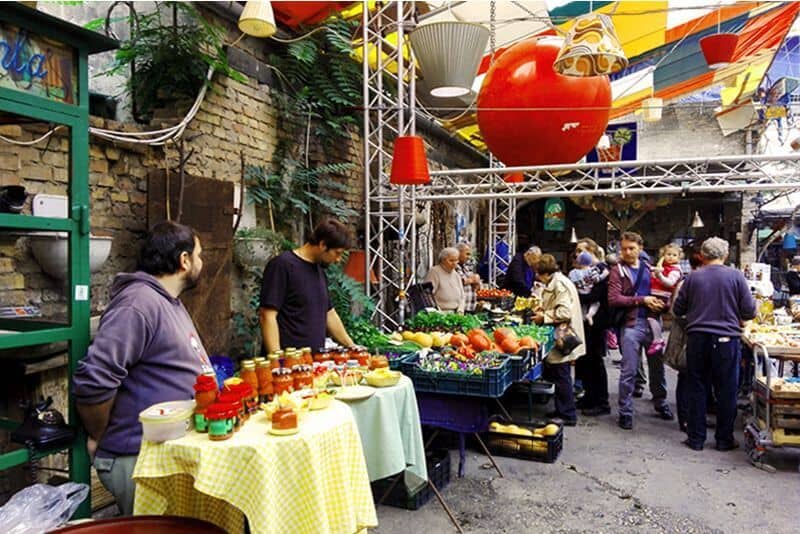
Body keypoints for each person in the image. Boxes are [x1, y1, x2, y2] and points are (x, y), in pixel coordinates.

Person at [73, 221, 209, 515]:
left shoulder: (167, 301)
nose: (202, 262)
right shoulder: (138, 303)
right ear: (184, 261)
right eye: (199, 255)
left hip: (163, 453)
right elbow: (94, 379)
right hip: (137, 458)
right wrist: (98, 434)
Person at [673, 237, 756, 451]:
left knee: (697, 386)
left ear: (702, 255)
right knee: (727, 389)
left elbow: (678, 309)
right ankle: (723, 439)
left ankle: (696, 438)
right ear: (725, 255)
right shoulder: (736, 277)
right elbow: (749, 311)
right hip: (727, 340)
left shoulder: (693, 277)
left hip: (697, 339)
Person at [608, 231, 673, 430]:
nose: (627, 252)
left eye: (632, 248)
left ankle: (660, 403)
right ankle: (626, 412)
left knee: (657, 368)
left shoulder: (647, 268)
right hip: (631, 326)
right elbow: (613, 299)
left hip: (653, 324)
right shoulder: (617, 271)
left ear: (640, 249)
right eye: (624, 248)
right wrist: (641, 300)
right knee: (629, 370)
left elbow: (662, 290)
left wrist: (661, 303)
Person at [259, 218, 355, 353]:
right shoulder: (282, 265)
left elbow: (329, 314)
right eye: (337, 253)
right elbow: (267, 315)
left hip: (313, 363)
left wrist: (353, 347)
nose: (338, 260)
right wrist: (278, 361)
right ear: (322, 245)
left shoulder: (319, 270)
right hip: (287, 363)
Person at [533, 254, 586, 426]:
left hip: (563, 337)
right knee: (560, 375)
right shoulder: (556, 281)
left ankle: (567, 414)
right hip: (560, 335)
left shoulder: (559, 285)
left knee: (562, 375)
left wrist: (544, 316)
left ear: (542, 273)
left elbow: (564, 313)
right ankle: (562, 409)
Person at [572, 238, 611, 416]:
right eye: (577, 251)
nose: (578, 254)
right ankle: (589, 396)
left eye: (582, 250)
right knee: (585, 360)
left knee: (595, 361)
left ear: (592, 251)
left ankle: (601, 401)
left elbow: (595, 295)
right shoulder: (582, 270)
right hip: (584, 320)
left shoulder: (601, 271)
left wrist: (574, 295)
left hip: (597, 322)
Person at [646, 243, 683, 356]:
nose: (671, 257)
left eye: (674, 255)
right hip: (656, 294)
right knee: (654, 317)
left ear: (679, 257)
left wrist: (659, 275)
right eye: (668, 254)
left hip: (663, 296)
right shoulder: (664, 267)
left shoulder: (675, 270)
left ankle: (658, 339)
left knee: (651, 317)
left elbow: (669, 282)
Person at [568, 251, 609, 326]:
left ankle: (583, 318)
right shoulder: (592, 270)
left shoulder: (572, 272)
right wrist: (604, 274)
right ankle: (590, 315)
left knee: (583, 306)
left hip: (580, 292)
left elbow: (571, 283)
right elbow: (597, 279)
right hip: (589, 291)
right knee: (596, 303)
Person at [425, 247, 465, 313]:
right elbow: (428, 295)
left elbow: (462, 296)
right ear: (443, 260)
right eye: (451, 260)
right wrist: (437, 311)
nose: (454, 263)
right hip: (440, 314)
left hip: (455, 313)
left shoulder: (456, 274)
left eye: (456, 260)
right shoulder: (434, 272)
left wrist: (460, 310)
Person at [455, 242, 481, 313]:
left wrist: (475, 281)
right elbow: (461, 281)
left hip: (470, 306)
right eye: (467, 254)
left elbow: (476, 282)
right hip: (460, 307)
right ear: (458, 253)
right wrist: (472, 279)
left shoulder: (466, 267)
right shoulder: (454, 267)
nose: (469, 257)